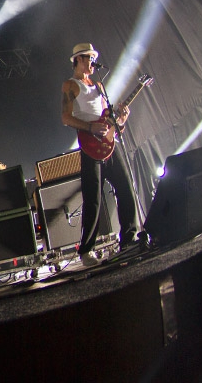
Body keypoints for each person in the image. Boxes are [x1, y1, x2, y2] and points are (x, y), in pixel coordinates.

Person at [61, 43, 138, 267]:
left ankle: (130, 239)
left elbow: (107, 118)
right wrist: (90, 128)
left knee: (125, 189)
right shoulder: (70, 85)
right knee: (93, 199)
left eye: (94, 58)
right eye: (89, 58)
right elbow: (66, 118)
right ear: (78, 60)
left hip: (108, 145)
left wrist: (120, 121)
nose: (93, 61)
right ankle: (87, 250)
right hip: (89, 146)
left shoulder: (98, 86)